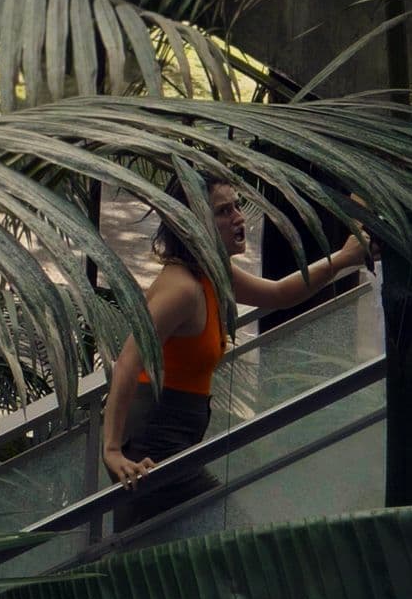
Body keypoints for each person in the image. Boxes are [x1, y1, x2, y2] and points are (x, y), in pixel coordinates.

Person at [100, 177, 372, 512]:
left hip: (175, 439)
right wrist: (112, 450)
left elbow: (280, 294)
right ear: (195, 223)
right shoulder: (182, 289)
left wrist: (344, 258)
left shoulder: (212, 273)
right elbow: (128, 361)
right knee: (225, 529)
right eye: (224, 211)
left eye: (237, 206)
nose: (239, 218)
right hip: (152, 444)